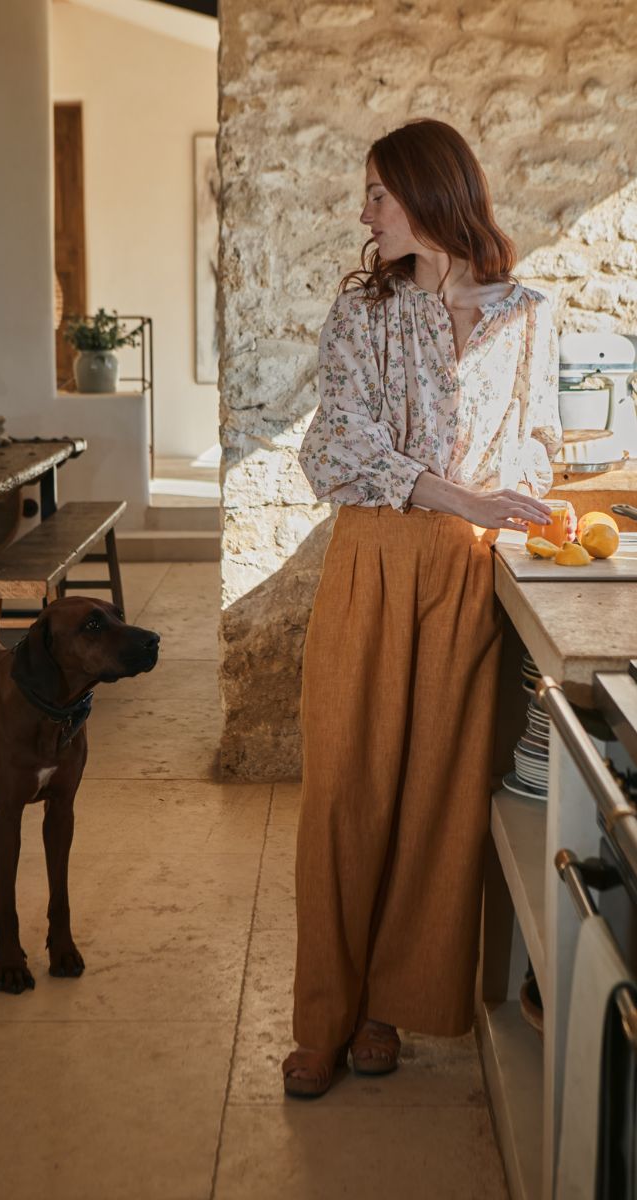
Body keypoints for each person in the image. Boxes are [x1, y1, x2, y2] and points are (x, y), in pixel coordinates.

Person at [282, 118, 563, 1099]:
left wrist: (528, 498)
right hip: (370, 557)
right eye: (366, 196)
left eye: (378, 194)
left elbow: (531, 444)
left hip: (464, 575)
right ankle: (321, 1014)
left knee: (434, 799)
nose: (364, 212)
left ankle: (382, 1009)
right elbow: (337, 447)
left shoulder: (525, 314)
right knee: (344, 792)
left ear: (429, 192)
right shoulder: (360, 309)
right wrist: (465, 497)